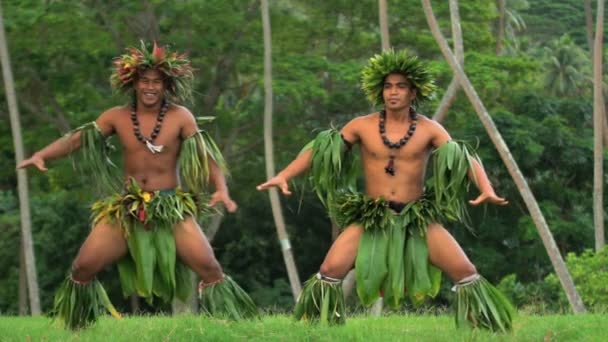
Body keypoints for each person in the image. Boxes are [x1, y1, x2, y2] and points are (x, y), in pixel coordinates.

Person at [257, 50, 515, 332]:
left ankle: (489, 330)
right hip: (373, 217)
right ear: (380, 91)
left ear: (413, 92)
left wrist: (486, 187)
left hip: (415, 217)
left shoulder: (430, 129)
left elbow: (463, 157)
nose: (393, 92)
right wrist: (284, 175)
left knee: (465, 272)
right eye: (388, 86)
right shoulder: (361, 126)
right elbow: (320, 152)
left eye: (401, 86)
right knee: (330, 271)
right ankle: (315, 331)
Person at [18, 41, 257, 329]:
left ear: (166, 86)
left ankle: (235, 325)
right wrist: (42, 154)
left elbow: (205, 156)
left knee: (209, 266)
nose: (150, 87)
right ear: (133, 83)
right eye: (145, 81)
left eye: (157, 82)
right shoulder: (115, 117)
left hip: (170, 206)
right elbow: (78, 139)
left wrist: (221, 188)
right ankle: (74, 327)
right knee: (83, 267)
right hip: (129, 206)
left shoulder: (181, 117)